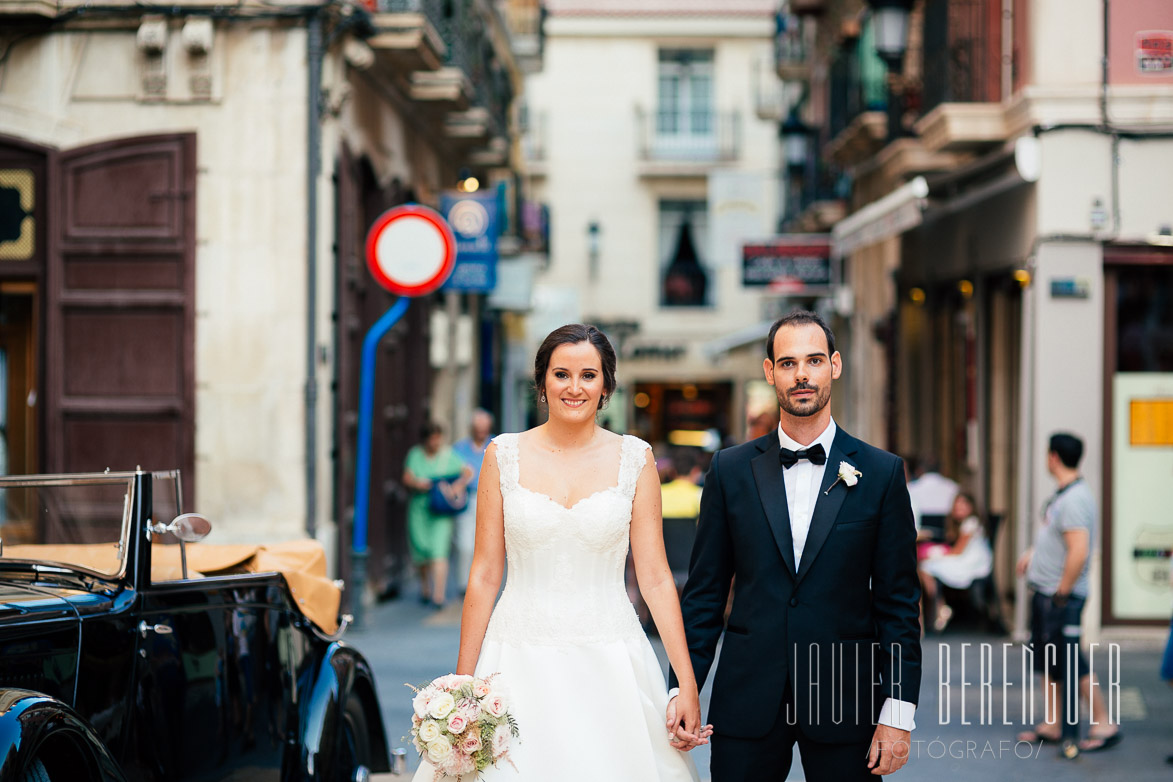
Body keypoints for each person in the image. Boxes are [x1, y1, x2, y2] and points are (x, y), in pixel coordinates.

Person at [412, 324, 710, 781]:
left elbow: (654, 577)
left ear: (606, 386)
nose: (575, 387)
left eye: (588, 375)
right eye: (562, 374)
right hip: (516, 657)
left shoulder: (636, 459)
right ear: (543, 382)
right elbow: (485, 574)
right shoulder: (502, 455)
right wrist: (463, 685)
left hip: (612, 658)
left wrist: (685, 682)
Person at [669, 310, 921, 781]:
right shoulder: (729, 470)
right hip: (747, 700)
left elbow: (899, 605)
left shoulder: (882, 473)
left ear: (835, 366)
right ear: (770, 373)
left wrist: (898, 712)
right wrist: (682, 688)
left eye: (814, 360)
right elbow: (703, 595)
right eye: (787, 363)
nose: (802, 374)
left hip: (846, 700)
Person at [1015, 432, 1120, 756]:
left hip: (1060, 596)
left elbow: (1079, 551)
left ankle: (1103, 722)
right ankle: (1053, 724)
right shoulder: (1066, 494)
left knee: (1073, 660)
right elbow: (1058, 538)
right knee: (1052, 660)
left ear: (1054, 457)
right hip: (1047, 591)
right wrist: (1035, 553)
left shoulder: (1075, 499)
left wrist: (1061, 593)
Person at [403, 422, 473, 610]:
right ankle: (425, 587)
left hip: (441, 511)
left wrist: (455, 488)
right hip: (420, 509)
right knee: (421, 552)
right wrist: (419, 484)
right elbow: (407, 477)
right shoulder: (415, 455)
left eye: (437, 438)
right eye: (431, 438)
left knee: (439, 551)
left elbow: (468, 472)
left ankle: (438, 595)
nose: (435, 442)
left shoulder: (448, 455)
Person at [918, 491, 993, 632]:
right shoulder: (967, 523)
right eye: (957, 507)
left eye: (963, 506)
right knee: (927, 565)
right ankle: (940, 606)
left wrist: (936, 555)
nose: (960, 509)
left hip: (972, 564)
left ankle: (939, 607)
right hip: (969, 560)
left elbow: (958, 551)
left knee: (926, 566)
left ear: (971, 507)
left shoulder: (971, 523)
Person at [452, 408, 494, 595]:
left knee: (487, 543)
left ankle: (484, 582)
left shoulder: (495, 445)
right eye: (478, 428)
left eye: (484, 428)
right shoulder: (459, 449)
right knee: (465, 544)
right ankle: (464, 584)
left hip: (491, 498)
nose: (481, 432)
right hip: (468, 499)